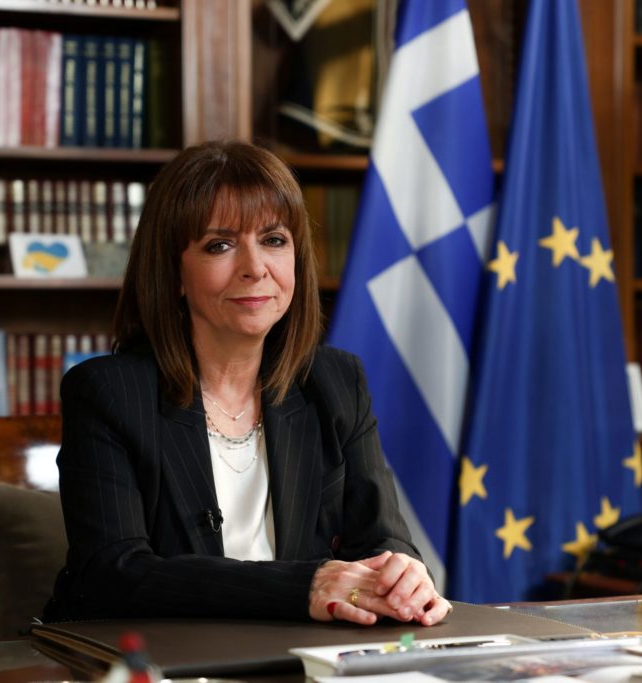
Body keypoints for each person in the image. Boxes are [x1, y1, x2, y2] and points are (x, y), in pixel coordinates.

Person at [43, 140, 452, 626]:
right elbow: (113, 575)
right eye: (220, 245)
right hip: (157, 656)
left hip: (307, 655)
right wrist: (303, 586)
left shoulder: (336, 382)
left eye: (274, 240)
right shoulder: (108, 394)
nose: (255, 268)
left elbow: (381, 539)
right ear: (173, 272)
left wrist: (401, 573)